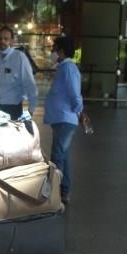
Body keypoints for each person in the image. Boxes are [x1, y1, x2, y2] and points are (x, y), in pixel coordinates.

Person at [44, 35, 83, 204]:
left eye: (54, 49)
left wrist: (79, 110)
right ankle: (64, 191)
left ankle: (54, 192)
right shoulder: (64, 68)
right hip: (61, 118)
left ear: (61, 51)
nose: (52, 52)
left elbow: (75, 93)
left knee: (57, 156)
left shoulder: (68, 68)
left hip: (65, 118)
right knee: (63, 155)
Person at [0, 25, 38, 119]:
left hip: (12, 109)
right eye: (0, 39)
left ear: (12, 41)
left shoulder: (19, 57)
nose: (2, 41)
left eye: (6, 39)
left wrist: (32, 108)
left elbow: (30, 83)